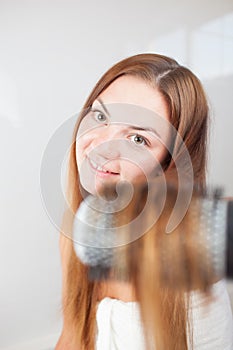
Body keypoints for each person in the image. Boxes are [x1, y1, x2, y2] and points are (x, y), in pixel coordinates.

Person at [55, 53, 233, 350]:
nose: (101, 148)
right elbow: (73, 338)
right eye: (100, 117)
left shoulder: (190, 238)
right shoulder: (76, 231)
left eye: (137, 139)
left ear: (170, 164)